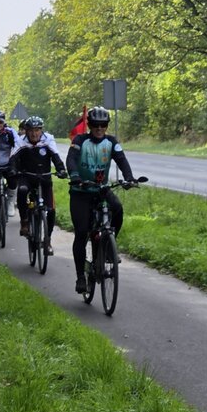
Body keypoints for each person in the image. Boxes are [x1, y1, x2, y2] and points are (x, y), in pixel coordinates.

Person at [66, 105, 136, 294]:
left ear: (107, 126)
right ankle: (81, 277)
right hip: (81, 191)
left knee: (117, 209)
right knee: (82, 232)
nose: (99, 128)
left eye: (103, 125)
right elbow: (71, 159)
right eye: (96, 125)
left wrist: (129, 178)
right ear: (90, 125)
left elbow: (121, 159)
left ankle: (108, 247)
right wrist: (75, 175)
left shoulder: (111, 142)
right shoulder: (80, 140)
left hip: (101, 190)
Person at [8, 116, 67, 255]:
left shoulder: (48, 139)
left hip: (44, 176)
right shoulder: (20, 141)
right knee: (22, 190)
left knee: (51, 210)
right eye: (31, 130)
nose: (34, 134)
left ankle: (48, 241)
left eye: (37, 130)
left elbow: (56, 156)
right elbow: (13, 158)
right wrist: (12, 170)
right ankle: (24, 221)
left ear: (41, 130)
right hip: (27, 175)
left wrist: (61, 169)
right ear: (26, 131)